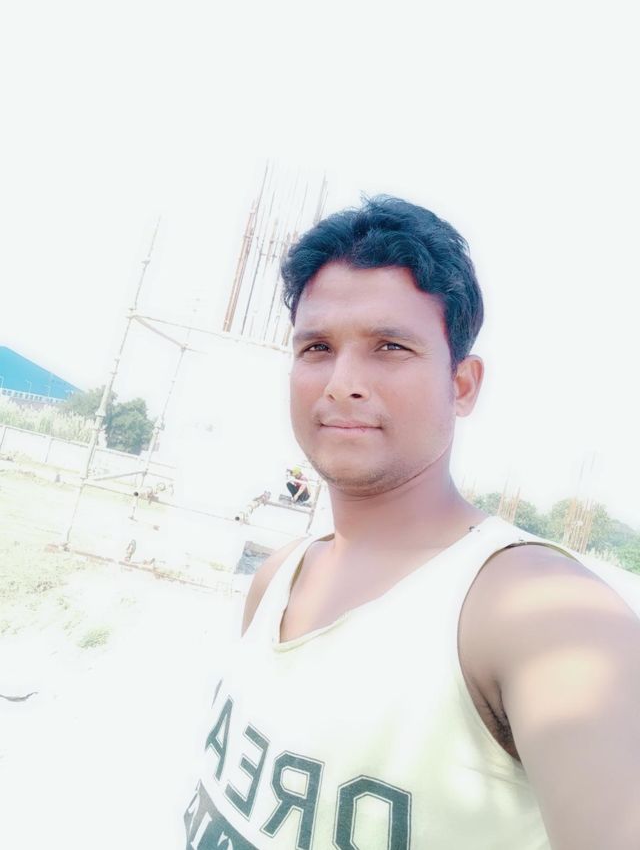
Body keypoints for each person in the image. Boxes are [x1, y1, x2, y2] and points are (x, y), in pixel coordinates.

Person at [184, 196, 640, 849]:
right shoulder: (277, 578)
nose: (341, 382)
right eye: (317, 347)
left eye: (390, 347)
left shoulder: (536, 612)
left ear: (462, 385)